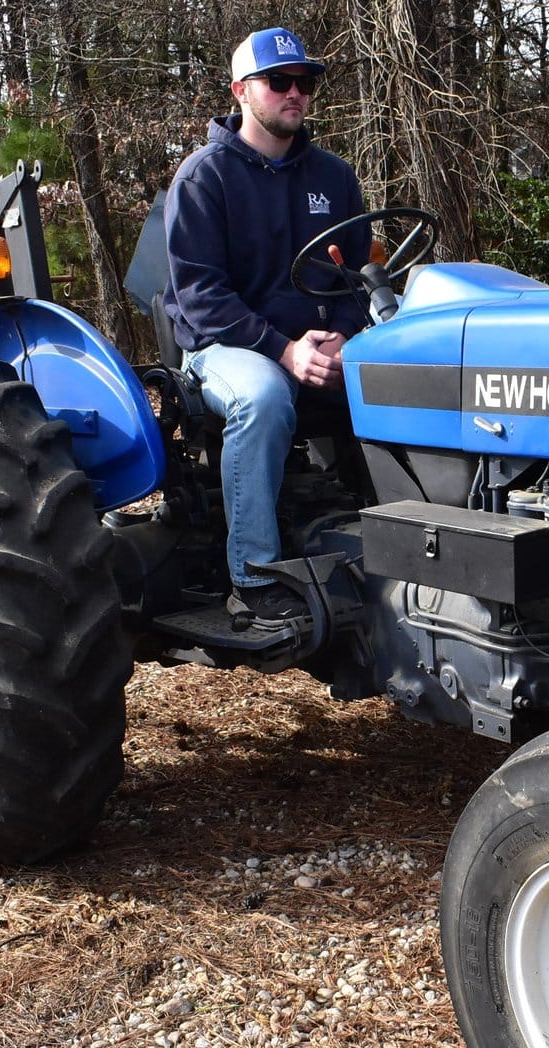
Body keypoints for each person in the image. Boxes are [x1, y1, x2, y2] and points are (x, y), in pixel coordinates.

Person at [163, 26, 370, 627]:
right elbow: (200, 296)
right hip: (226, 349)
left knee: (407, 376)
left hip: (322, 346)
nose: (295, 93)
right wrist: (284, 351)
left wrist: (345, 337)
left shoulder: (335, 178)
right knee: (261, 398)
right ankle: (253, 579)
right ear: (241, 91)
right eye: (279, 81)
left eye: (304, 82)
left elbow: (359, 276)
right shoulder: (205, 178)